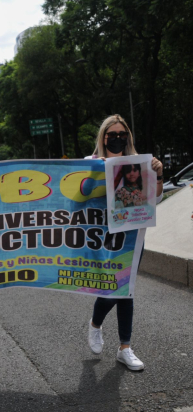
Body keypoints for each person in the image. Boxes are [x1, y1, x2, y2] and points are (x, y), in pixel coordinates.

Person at [86, 114, 163, 371]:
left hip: (132, 236)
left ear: (128, 137)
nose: (117, 138)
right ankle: (96, 324)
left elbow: (156, 199)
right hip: (103, 238)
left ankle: (125, 348)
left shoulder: (140, 164)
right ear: (103, 137)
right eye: (112, 134)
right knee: (111, 287)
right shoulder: (91, 163)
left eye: (122, 134)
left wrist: (158, 174)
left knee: (126, 288)